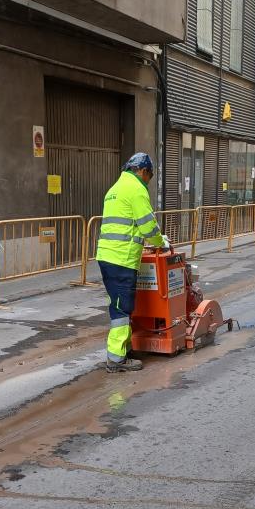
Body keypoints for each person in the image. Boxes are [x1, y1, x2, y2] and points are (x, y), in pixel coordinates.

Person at [95, 153, 166, 373]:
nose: (148, 181)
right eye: (149, 176)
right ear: (143, 171)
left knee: (120, 305)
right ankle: (116, 359)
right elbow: (147, 226)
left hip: (107, 257)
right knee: (121, 309)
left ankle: (122, 350)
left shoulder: (114, 190)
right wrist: (160, 241)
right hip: (121, 259)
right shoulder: (136, 189)